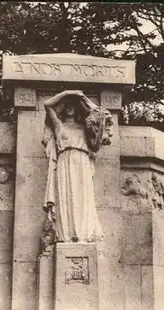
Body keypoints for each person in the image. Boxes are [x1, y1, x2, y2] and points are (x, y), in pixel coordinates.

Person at [42, 89, 113, 243]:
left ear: (78, 109)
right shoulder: (59, 126)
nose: (70, 108)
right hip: (64, 163)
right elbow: (47, 105)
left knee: (83, 199)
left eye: (74, 106)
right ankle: (65, 236)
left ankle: (83, 235)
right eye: (67, 105)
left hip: (82, 163)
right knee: (66, 198)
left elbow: (100, 117)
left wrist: (82, 97)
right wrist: (68, 93)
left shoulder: (85, 127)